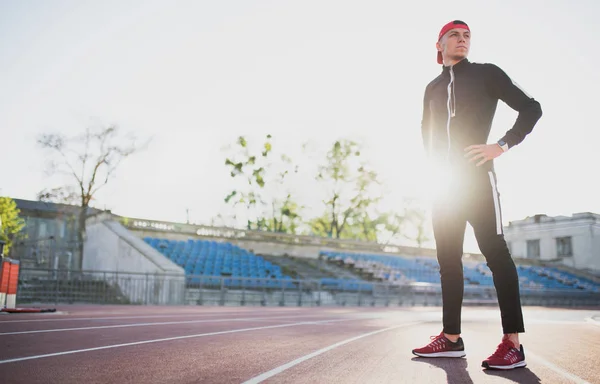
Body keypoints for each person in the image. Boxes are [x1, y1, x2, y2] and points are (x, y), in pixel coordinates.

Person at [411, 20, 543, 370]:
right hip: (444, 188)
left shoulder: (487, 74)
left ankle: (512, 343)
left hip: (477, 182)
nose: (463, 39)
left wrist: (501, 145)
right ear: (438, 45)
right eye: (454, 34)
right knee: (448, 262)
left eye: (467, 35)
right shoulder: (432, 88)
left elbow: (532, 108)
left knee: (496, 255)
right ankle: (451, 338)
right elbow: (427, 138)